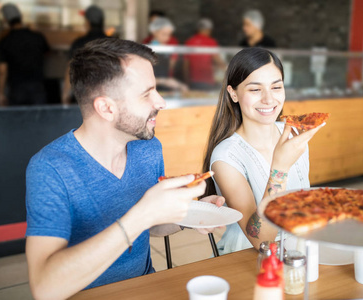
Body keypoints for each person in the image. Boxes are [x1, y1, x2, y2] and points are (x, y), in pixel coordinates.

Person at [25, 38, 223, 299]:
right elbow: (44, 288)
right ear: (106, 108)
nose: (161, 102)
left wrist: (189, 215)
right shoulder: (49, 169)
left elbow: (152, 226)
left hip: (145, 287)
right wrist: (142, 214)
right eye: (147, 94)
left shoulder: (148, 149)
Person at [202, 48, 323, 255]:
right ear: (233, 94)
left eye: (276, 87)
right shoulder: (225, 157)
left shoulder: (294, 134)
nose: (269, 99)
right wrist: (280, 167)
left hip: (300, 250)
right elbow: (260, 241)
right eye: (255, 89)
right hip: (249, 259)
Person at [0, 3, 49, 106]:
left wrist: (1, 94)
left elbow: (2, 70)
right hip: (37, 86)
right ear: (21, 17)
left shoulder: (5, 41)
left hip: (16, 89)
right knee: (40, 120)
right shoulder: (37, 37)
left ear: (6, 20)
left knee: (18, 120)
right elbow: (47, 52)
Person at [62, 5, 107, 104]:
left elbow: (70, 69)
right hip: (108, 96)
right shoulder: (113, 43)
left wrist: (65, 94)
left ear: (87, 22)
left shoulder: (79, 43)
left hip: (83, 98)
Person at [145, 17, 186, 92]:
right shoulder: (147, 51)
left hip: (164, 91)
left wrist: (178, 84)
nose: (167, 38)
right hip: (151, 92)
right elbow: (144, 79)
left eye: (169, 35)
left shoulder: (165, 50)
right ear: (154, 32)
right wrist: (164, 81)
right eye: (164, 34)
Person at [184, 18, 226, 90]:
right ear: (208, 30)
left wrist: (186, 80)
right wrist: (229, 72)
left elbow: (185, 64)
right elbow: (218, 61)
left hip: (193, 80)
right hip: (207, 80)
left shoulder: (189, 42)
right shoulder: (211, 42)